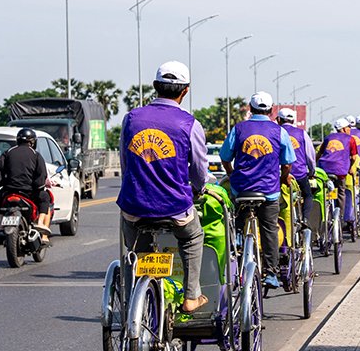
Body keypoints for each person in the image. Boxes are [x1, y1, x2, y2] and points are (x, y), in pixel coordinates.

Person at [117, 61, 209, 313]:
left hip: (134, 208)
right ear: (185, 90)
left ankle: (136, 297)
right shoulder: (190, 124)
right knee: (192, 238)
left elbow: (125, 163)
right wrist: (198, 189)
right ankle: (191, 296)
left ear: (155, 86)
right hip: (175, 208)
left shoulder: (130, 119)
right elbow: (199, 169)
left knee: (137, 250)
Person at [220, 92, 295, 289]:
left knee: (236, 222)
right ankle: (271, 273)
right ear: (271, 110)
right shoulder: (279, 131)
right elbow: (288, 163)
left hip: (241, 189)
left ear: (250, 108)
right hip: (269, 192)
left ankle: (237, 247)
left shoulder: (238, 129)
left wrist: (232, 174)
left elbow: (225, 157)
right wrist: (282, 177)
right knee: (269, 229)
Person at [0, 128, 53, 243]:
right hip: (29, 192)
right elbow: (41, 174)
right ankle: (40, 223)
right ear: (32, 142)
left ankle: (0, 222)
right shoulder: (35, 155)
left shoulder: (8, 152)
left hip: (9, 191)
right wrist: (38, 186)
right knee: (45, 197)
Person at [316, 117, 358, 236]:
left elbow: (319, 153)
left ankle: (325, 214)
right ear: (343, 129)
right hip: (340, 171)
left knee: (324, 191)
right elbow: (354, 157)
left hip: (324, 169)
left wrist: (314, 165)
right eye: (348, 127)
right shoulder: (350, 139)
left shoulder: (328, 137)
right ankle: (340, 217)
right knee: (341, 192)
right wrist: (351, 167)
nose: (350, 129)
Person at [277, 107, 315, 221]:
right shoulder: (302, 133)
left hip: (278, 176)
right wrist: (311, 171)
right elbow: (310, 155)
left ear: (278, 120)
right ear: (293, 120)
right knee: (308, 195)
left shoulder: (274, 132)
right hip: (299, 175)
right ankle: (305, 219)